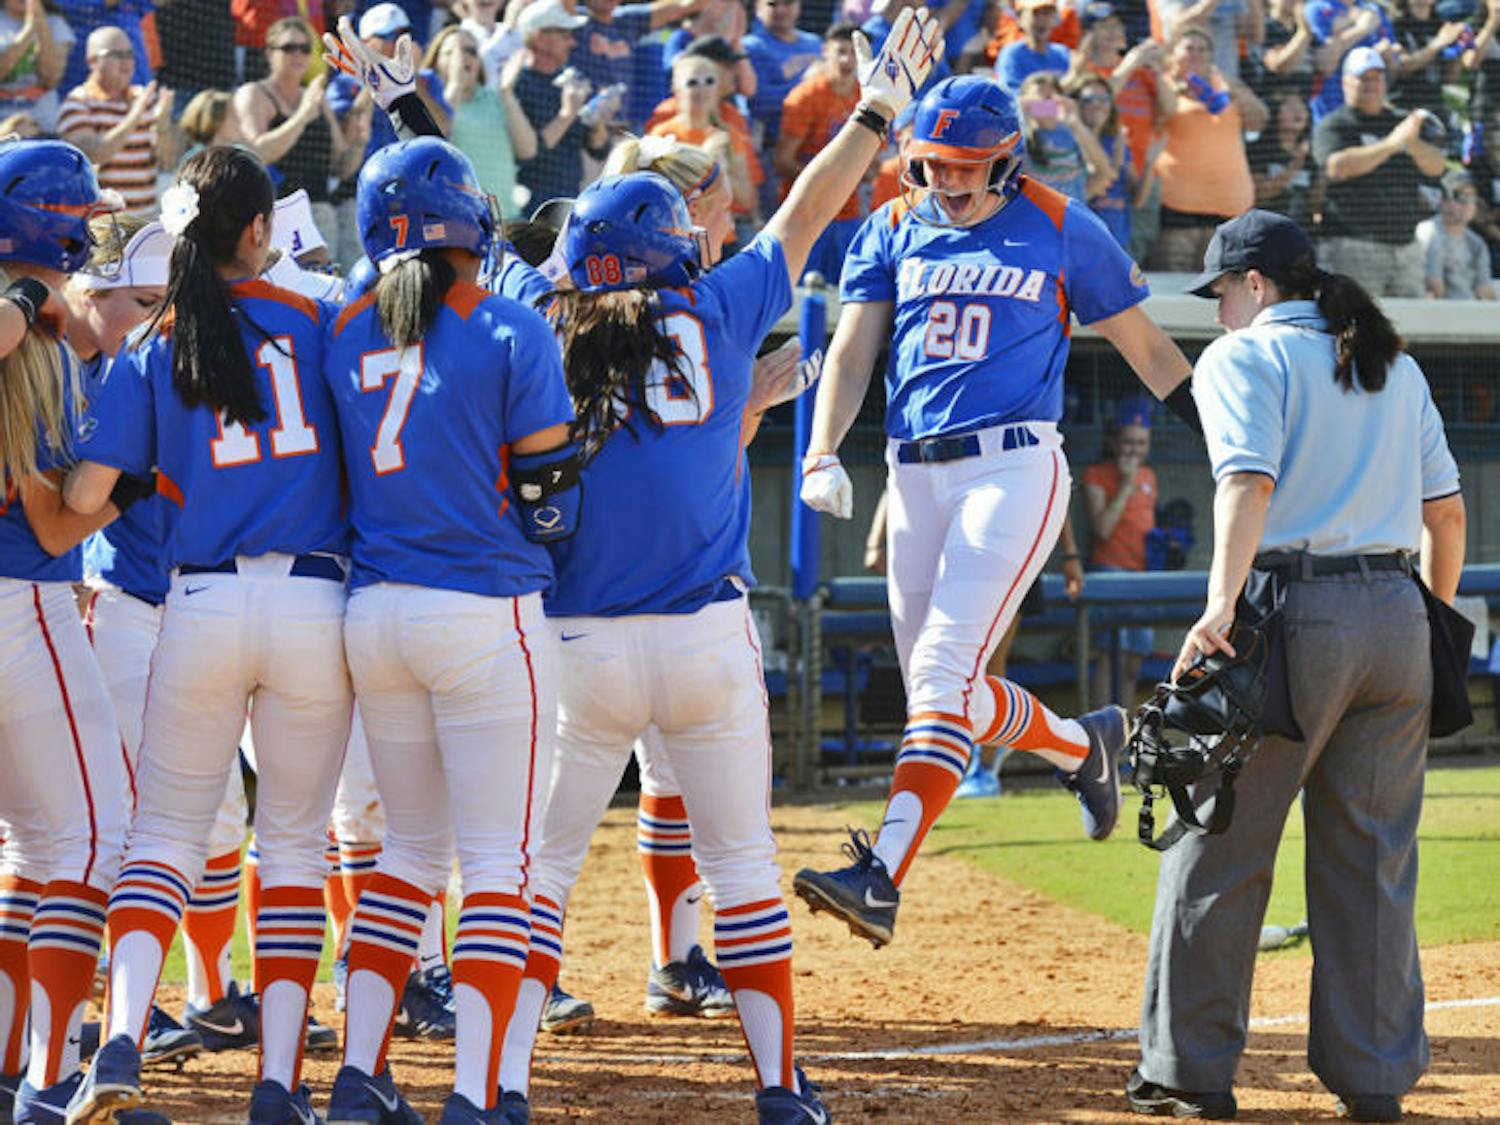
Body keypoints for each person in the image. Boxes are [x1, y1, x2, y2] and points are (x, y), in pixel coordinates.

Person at [488, 11, 945, 1122]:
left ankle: (494, 1088)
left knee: (532, 876)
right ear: (671, 248)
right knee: (741, 869)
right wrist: (880, 104)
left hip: (578, 645)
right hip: (704, 637)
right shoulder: (722, 298)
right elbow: (811, 203)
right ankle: (781, 1090)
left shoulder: (539, 315)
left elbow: (486, 251)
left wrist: (404, 108)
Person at [791, 74, 1200, 951]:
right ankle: (1081, 746)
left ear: (1008, 157)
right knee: (944, 694)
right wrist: (822, 448)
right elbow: (854, 353)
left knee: (942, 671)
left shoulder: (1058, 221)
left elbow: (1149, 348)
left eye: (969, 164)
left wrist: (1222, 432)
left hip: (1013, 465)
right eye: (936, 162)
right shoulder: (891, 226)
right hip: (913, 473)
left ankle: (881, 876)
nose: (949, 178)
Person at [1128, 207, 1465, 1124]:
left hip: (1286, 612)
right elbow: (1448, 516)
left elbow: (1246, 482)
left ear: (1259, 285)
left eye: (1223, 291)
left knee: (1217, 843)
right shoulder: (1391, 360)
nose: (1219, 309)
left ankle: (1190, 1072)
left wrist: (1217, 608)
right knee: (1373, 861)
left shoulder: (1248, 355)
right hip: (1397, 616)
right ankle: (1375, 1080)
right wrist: (1428, 615)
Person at [61, 144, 352, 1125]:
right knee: (295, 849)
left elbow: (87, 497)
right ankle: (276, 1087)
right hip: (315, 603)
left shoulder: (156, 344)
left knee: (161, 842)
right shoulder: (319, 322)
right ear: (260, 231)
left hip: (198, 604)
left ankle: (119, 1047)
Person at [317, 134, 574, 1125]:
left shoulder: (341, 326)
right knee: (499, 864)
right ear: (470, 220)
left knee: (408, 854)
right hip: (484, 608)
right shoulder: (512, 328)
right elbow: (552, 496)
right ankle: (476, 1092)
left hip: (373, 614)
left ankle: (360, 1073)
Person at [0, 138, 142, 1125]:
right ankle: (50, 1082)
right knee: (96, 842)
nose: (91, 226)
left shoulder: (29, 327)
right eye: (80, 214)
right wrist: (130, 485)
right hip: (23, 604)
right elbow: (55, 523)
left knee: (34, 844)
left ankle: (12, 1068)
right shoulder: (39, 344)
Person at [1313, 46, 1446, 296]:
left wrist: (1412, 143)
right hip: (1353, 246)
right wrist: (1392, 144)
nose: (1371, 84)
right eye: (1363, 78)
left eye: (1377, 78)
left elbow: (1437, 167)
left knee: (1407, 330)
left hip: (1405, 248)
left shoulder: (1401, 121)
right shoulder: (1334, 125)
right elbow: (1338, 167)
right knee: (1357, 328)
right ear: (1345, 82)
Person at [235, 17, 364, 248]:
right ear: (269, 53)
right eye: (289, 48)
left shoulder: (315, 97)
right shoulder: (254, 94)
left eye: (305, 49)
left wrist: (359, 142)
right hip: (274, 213)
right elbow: (258, 153)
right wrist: (301, 117)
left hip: (320, 212)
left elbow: (341, 167)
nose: (298, 55)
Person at [1148, 26, 1265, 270]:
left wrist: (1233, 93)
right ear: (1173, 54)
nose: (1196, 54)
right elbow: (1162, 114)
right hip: (1177, 204)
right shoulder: (1162, 83)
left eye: (1202, 49)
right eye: (1188, 48)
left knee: (1220, 288)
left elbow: (1260, 117)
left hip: (1229, 204)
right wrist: (1177, 86)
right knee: (1174, 286)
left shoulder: (1225, 84)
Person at [773, 23, 866, 281]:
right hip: (806, 211)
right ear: (825, 51)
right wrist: (825, 181)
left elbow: (871, 163)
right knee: (797, 292)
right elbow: (782, 161)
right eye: (841, 51)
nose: (847, 60)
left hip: (848, 214)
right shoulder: (805, 97)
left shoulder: (867, 97)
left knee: (846, 292)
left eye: (854, 53)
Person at [57, 26, 180, 216]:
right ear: (92, 61)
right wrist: (135, 115)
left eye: (129, 54)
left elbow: (168, 161)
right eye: (116, 54)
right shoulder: (77, 103)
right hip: (102, 226)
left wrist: (162, 125)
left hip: (144, 221)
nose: (126, 62)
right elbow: (95, 154)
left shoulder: (145, 97)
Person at [1084, 396, 1157, 707]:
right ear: (1114, 441)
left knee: (1132, 662)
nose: (1134, 450)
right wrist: (1126, 485)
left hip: (1142, 574)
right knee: (1110, 655)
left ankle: (1124, 732)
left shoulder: (1150, 476)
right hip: (1109, 572)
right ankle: (1102, 726)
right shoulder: (1096, 474)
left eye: (1141, 443)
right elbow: (1102, 528)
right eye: (1128, 442)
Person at [425, 23, 537, 216]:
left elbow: (527, 149)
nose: (462, 59)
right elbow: (437, 140)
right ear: (435, 63)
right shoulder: (428, 103)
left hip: (506, 220)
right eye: (451, 53)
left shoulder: (495, 99)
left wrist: (507, 93)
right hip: (457, 221)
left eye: (470, 51)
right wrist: (455, 85)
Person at [512, 0, 613, 208]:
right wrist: (567, 114)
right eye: (564, 35)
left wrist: (599, 123)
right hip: (529, 202)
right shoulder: (516, 85)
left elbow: (599, 150)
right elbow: (529, 154)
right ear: (539, 38)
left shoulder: (571, 81)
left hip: (569, 198)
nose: (572, 43)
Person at [1016, 69, 1109, 202]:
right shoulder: (1020, 138)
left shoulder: (1073, 133)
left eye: (1052, 97)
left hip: (1069, 219)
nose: (1047, 104)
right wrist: (1020, 110)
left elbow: (1103, 172)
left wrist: (1075, 124)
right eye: (1038, 99)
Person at [1417, 170, 1498, 298]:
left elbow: (1485, 290)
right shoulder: (1428, 233)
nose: (1468, 204)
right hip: (1439, 313)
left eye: (1472, 198)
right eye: (1462, 198)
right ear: (1444, 201)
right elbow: (1434, 290)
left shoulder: (1476, 243)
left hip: (1469, 313)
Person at [0, 0, 73, 134]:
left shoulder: (56, 24)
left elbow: (51, 78)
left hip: (44, 128)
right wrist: (29, 29)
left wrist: (40, 22)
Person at [1247, 91, 1315, 226]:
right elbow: (1260, 194)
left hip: (1301, 235)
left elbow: (1315, 204)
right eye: (1289, 107)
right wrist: (1293, 168)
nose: (1298, 111)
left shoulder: (1311, 157)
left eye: (1302, 107)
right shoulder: (1259, 151)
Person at [996, 0, 1071, 93]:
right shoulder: (1012, 54)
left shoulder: (1062, 53)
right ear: (1020, 19)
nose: (1042, 19)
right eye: (1035, 13)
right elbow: (1012, 98)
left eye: (1047, 13)